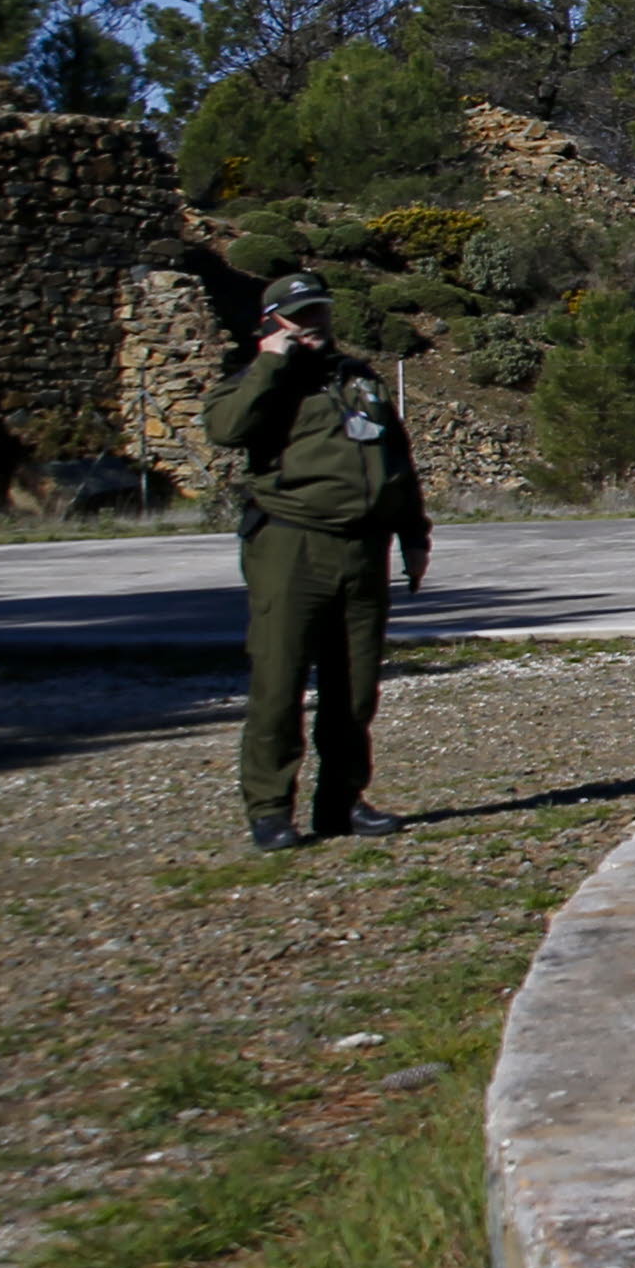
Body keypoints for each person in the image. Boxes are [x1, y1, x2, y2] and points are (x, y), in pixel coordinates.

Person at [202, 270, 431, 852]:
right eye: (299, 317)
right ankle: (270, 809)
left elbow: (395, 457)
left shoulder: (358, 379)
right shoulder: (260, 382)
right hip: (291, 542)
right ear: (272, 322)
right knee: (279, 683)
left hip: (363, 546)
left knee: (354, 687)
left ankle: (341, 802)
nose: (312, 325)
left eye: (319, 313)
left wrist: (413, 533)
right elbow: (226, 429)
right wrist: (271, 363)